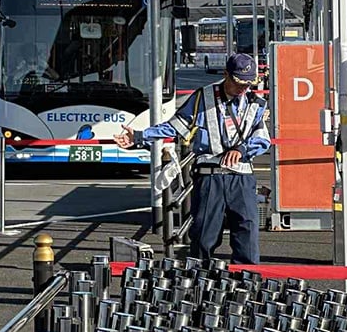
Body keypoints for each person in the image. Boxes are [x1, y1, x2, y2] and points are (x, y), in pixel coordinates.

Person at [114, 53, 271, 264]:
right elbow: (175, 126)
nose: (243, 88)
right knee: (204, 234)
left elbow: (262, 139)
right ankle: (200, 278)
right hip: (210, 176)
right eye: (238, 82)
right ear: (226, 74)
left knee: (247, 233)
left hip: (241, 176)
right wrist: (140, 136)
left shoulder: (256, 103)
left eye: (248, 83)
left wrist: (242, 150)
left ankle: (246, 278)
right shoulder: (203, 97)